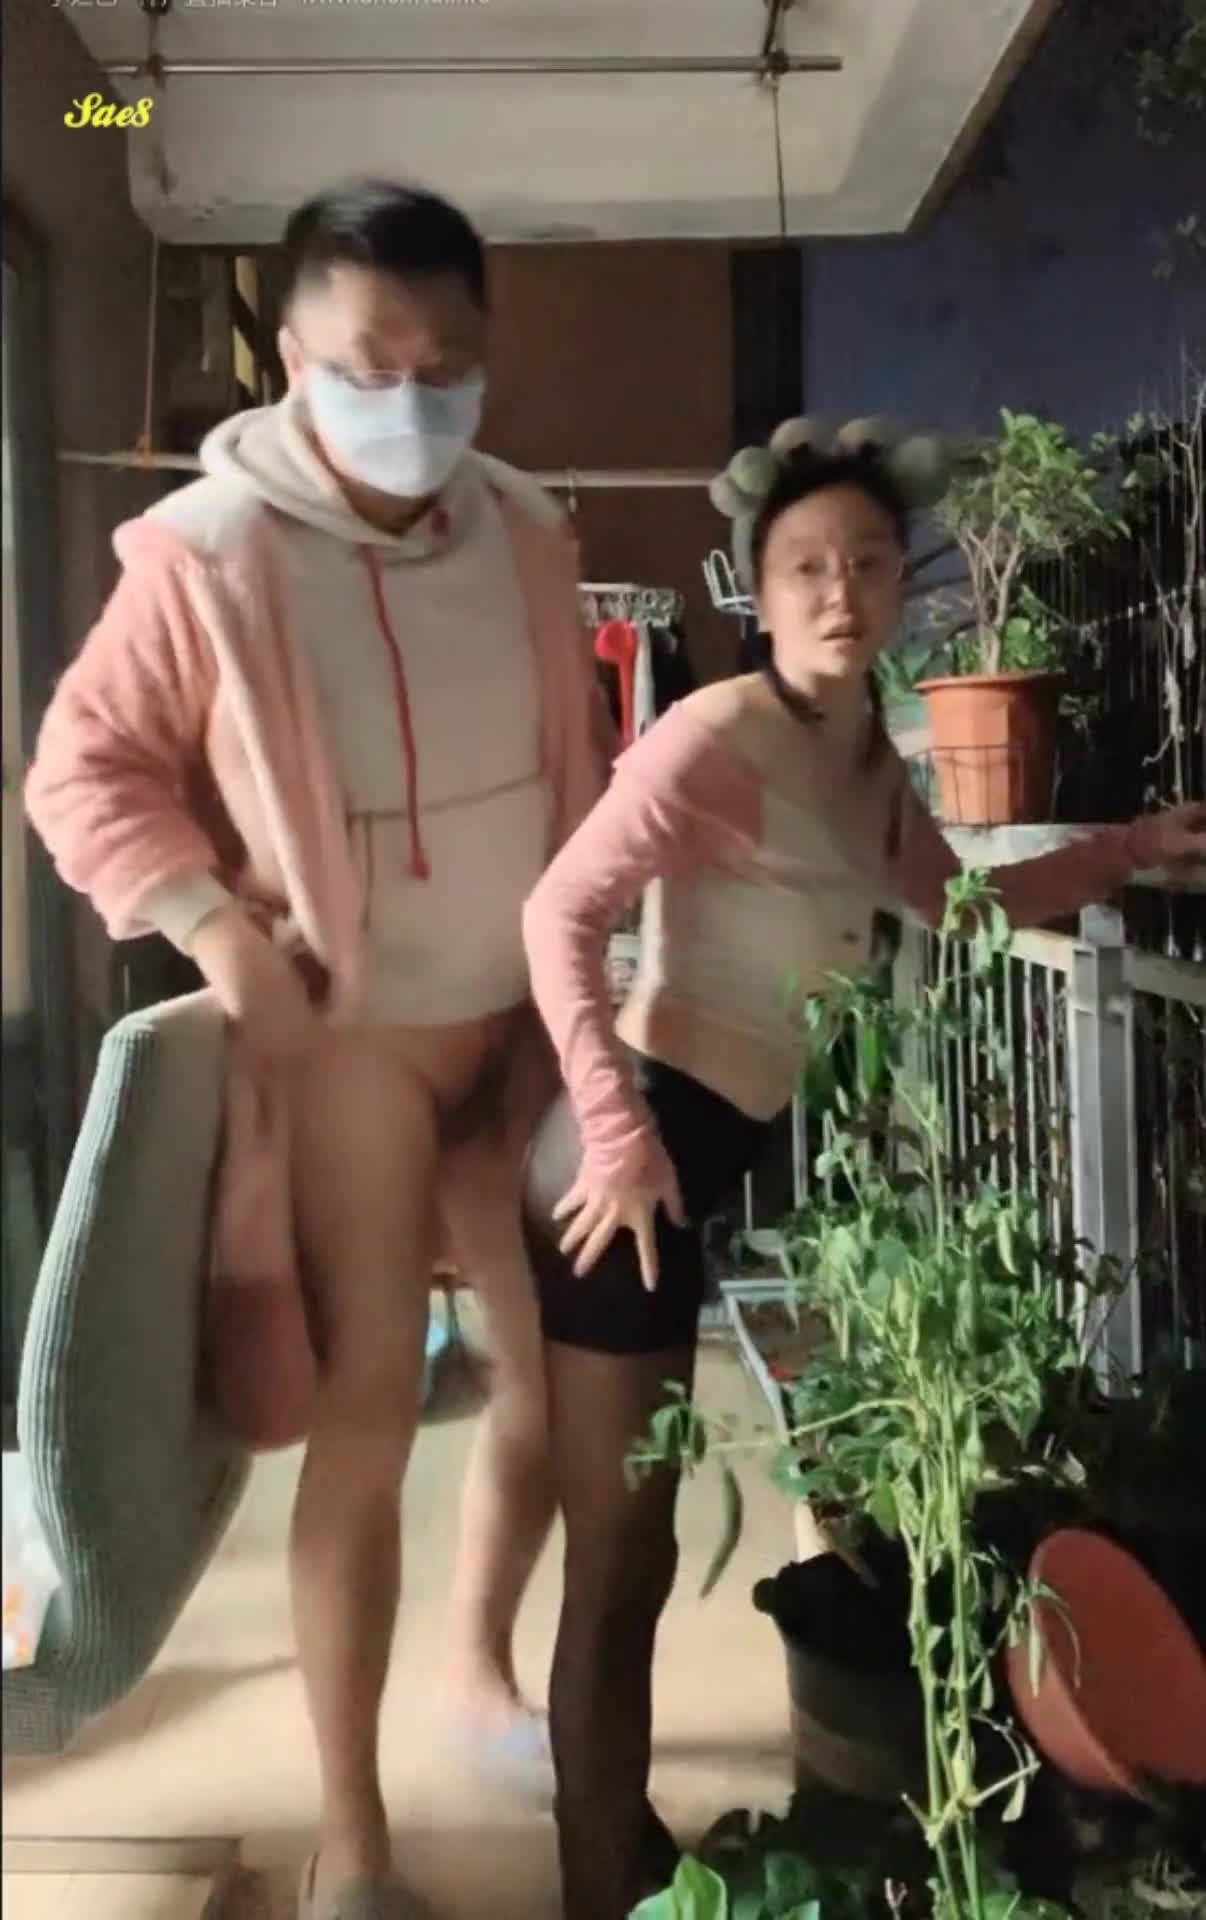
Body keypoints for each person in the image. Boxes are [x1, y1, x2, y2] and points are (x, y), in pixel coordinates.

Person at [518, 421, 1206, 1920]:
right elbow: (558, 912)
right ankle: (593, 1882)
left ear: (901, 586)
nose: (840, 592)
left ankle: (616, 1856)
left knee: (630, 1557)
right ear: (760, 591)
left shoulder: (868, 759)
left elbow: (961, 904)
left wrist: (1128, 847)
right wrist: (618, 1132)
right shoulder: (709, 734)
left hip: (695, 1155)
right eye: (806, 568)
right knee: (619, 1563)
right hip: (618, 1162)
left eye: (869, 564)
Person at [25, 178, 612, 1920]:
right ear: (291, 360)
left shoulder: (525, 531)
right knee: (368, 1410)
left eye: (447, 363)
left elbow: (580, 761)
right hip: (354, 1040)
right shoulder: (210, 554)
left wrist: (582, 998)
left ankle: (476, 1672)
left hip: (517, 1023)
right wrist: (212, 925)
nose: (411, 399)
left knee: (560, 1389)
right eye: (370, 363)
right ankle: (353, 1840)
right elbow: (81, 771)